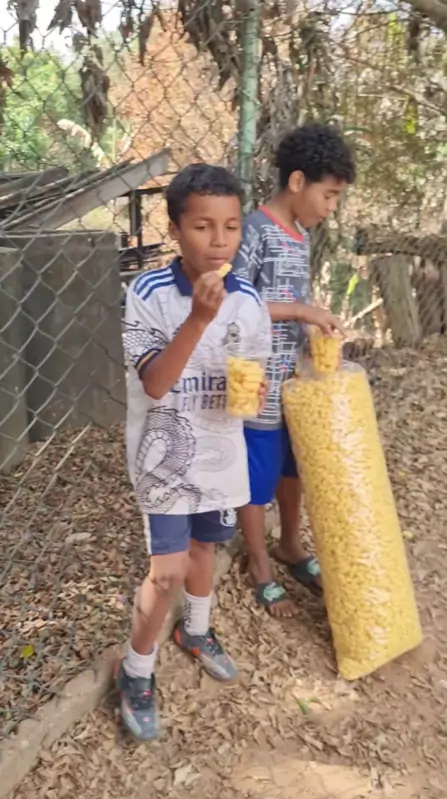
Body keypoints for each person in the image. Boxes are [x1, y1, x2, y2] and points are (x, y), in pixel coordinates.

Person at [118, 163, 272, 740]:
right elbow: (157, 383)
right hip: (164, 457)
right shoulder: (148, 295)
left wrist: (255, 392)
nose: (219, 241)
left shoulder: (248, 300)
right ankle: (136, 669)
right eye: (203, 226)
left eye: (231, 227)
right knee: (166, 574)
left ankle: (196, 630)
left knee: (206, 549)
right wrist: (200, 317)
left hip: (220, 450)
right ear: (176, 229)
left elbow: (249, 381)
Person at [232, 123, 356, 618]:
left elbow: (295, 302)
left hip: (294, 382)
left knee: (293, 464)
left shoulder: (300, 236)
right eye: (329, 195)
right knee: (259, 469)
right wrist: (302, 311)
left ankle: (289, 543)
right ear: (298, 181)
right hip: (257, 379)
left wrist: (315, 331)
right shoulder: (254, 230)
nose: (331, 207)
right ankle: (259, 561)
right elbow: (235, 304)